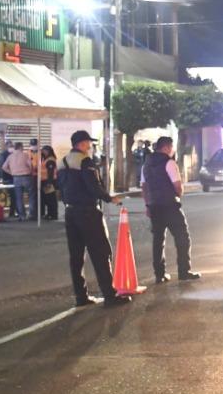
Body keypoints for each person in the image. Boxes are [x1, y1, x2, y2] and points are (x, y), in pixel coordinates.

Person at [58, 130, 130, 308]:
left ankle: (81, 296)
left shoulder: (63, 162)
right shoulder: (85, 161)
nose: (89, 146)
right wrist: (110, 198)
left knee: (76, 256)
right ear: (81, 144)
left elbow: (61, 187)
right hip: (88, 213)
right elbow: (93, 186)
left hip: (70, 213)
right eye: (88, 143)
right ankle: (110, 295)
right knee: (100, 253)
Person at [141, 136, 201, 284]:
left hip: (155, 206)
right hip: (170, 205)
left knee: (158, 240)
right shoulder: (169, 162)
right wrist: (178, 195)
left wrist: (148, 204)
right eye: (171, 147)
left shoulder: (146, 165)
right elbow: (177, 185)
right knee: (182, 237)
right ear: (167, 147)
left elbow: (144, 187)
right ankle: (184, 271)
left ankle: (159, 274)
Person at [3, 142, 36, 221]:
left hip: (16, 178)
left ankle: (22, 216)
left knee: (19, 197)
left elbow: (4, 167)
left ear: (15, 147)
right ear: (21, 147)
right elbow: (30, 166)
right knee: (31, 195)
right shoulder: (25, 155)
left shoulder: (10, 156)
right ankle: (31, 215)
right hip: (27, 177)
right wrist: (30, 172)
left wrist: (12, 173)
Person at [39, 145, 59, 220]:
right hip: (45, 180)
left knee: (51, 199)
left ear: (47, 151)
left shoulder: (50, 160)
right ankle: (50, 213)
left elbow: (50, 172)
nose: (42, 152)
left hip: (49, 181)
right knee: (48, 198)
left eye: (44, 150)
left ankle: (53, 215)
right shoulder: (46, 159)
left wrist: (49, 183)